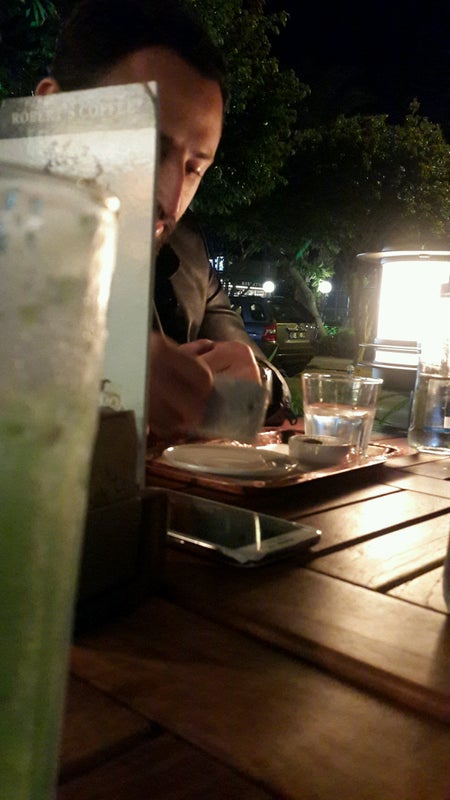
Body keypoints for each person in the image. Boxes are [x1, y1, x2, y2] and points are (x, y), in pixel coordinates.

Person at [36, 0, 291, 439]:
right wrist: (94, 370)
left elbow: (260, 373)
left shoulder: (187, 257)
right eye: (150, 147)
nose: (170, 201)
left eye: (194, 168)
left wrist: (259, 383)